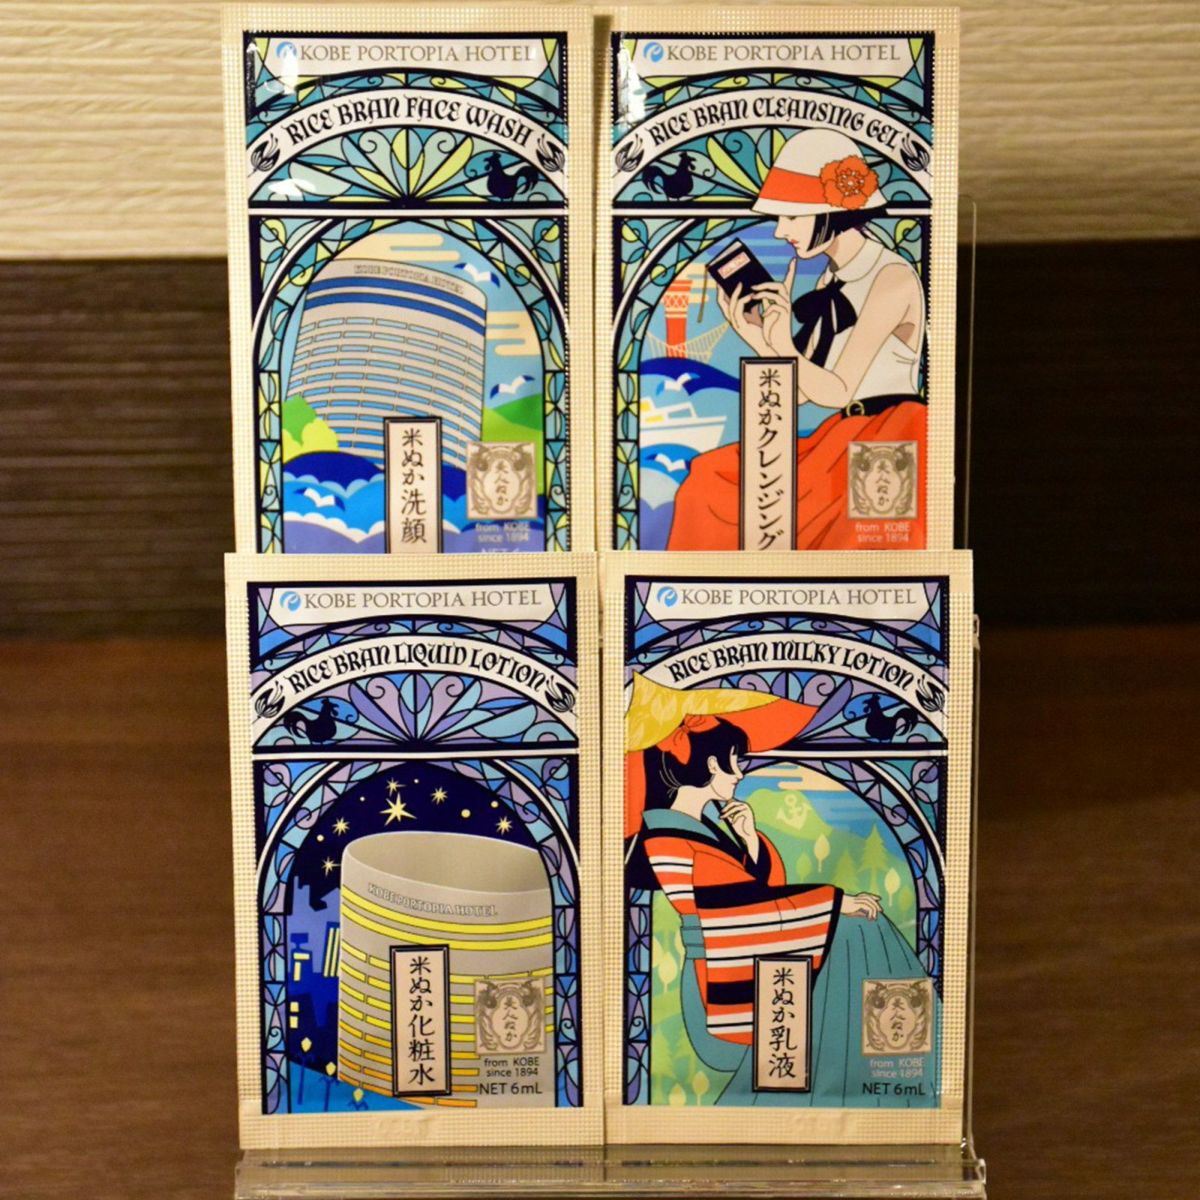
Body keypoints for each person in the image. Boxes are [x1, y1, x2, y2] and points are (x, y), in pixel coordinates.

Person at [625, 674, 938, 1105]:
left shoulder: (699, 828)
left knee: (856, 927)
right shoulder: (665, 835)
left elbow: (754, 894)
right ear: (712, 765)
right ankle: (886, 1071)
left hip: (740, 954)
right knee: (853, 929)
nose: (740, 772)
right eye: (735, 761)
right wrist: (837, 903)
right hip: (716, 980)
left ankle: (892, 1065)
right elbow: (736, 906)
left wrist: (749, 841)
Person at [667, 128, 927, 550]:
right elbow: (803, 395)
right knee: (708, 479)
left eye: (790, 216)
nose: (778, 231)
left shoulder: (892, 277)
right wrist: (760, 340)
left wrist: (785, 346)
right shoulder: (830, 279)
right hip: (841, 435)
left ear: (828, 212)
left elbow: (838, 390)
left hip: (887, 439)